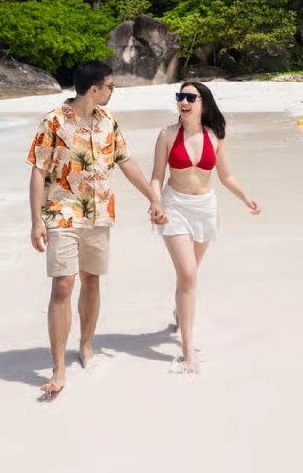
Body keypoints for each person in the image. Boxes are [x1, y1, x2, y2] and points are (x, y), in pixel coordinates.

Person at [28, 60, 165, 398]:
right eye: (110, 86)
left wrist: (153, 196)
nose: (112, 91)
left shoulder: (109, 121)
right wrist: (35, 221)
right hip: (62, 214)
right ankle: (58, 366)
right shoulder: (54, 122)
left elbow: (126, 162)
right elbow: (37, 170)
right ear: (94, 90)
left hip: (100, 215)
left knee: (91, 280)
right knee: (63, 285)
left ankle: (85, 345)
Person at [150, 81, 260, 373]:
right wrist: (155, 203)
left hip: (205, 209)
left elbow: (226, 176)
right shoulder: (167, 135)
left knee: (190, 276)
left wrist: (246, 197)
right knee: (187, 274)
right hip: (174, 206)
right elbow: (157, 177)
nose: (183, 102)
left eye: (190, 97)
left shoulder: (215, 136)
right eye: (180, 97)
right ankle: (188, 351)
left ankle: (179, 310)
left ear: (203, 103)